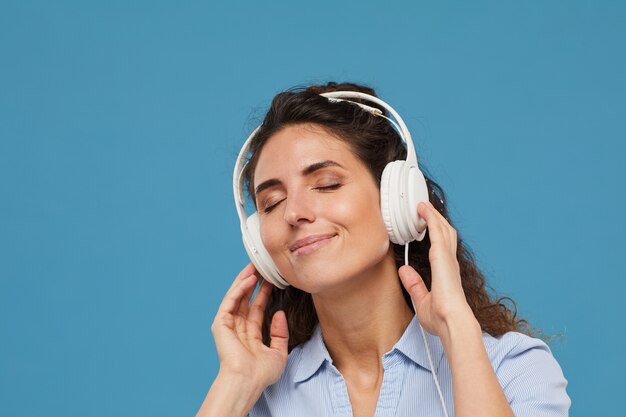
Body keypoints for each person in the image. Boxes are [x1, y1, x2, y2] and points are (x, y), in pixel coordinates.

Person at [196, 82, 571, 417]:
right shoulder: (256, 397)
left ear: (396, 200)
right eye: (272, 202)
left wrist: (458, 330)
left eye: (326, 184)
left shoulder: (513, 368)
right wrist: (233, 385)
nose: (294, 212)